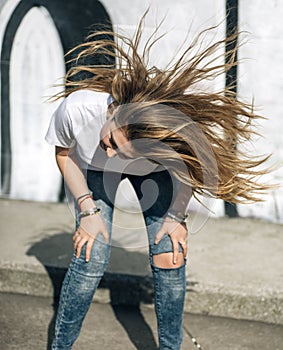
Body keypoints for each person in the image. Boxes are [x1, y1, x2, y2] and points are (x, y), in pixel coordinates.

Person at [45, 15, 271, 350]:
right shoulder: (76, 110)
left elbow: (187, 172)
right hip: (92, 174)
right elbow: (65, 155)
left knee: (170, 253)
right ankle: (60, 346)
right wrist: (87, 209)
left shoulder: (164, 139)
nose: (112, 153)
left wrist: (176, 218)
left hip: (153, 176)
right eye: (111, 142)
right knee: (91, 253)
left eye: (126, 152)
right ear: (116, 112)